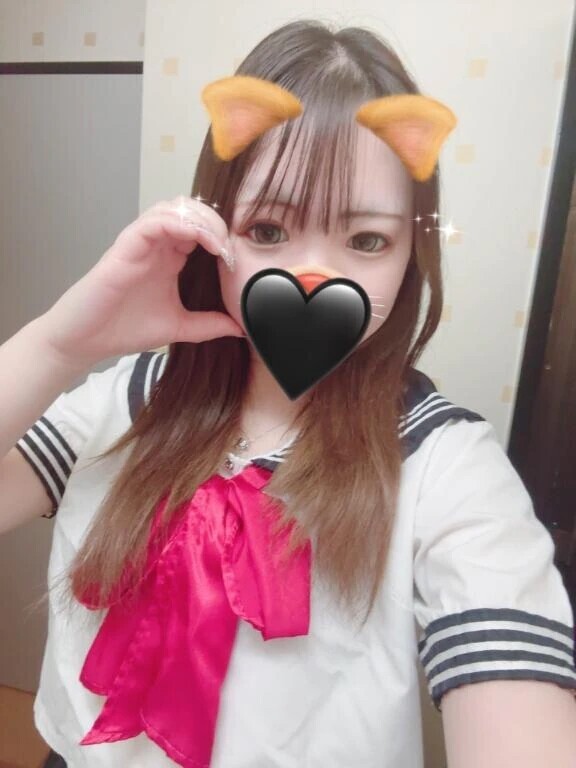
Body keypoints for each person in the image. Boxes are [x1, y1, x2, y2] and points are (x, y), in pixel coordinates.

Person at [1, 18, 575, 768]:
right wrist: (57, 344)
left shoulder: (444, 467)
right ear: (213, 232)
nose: (314, 278)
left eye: (366, 241)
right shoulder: (129, 399)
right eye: (268, 230)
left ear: (411, 254)